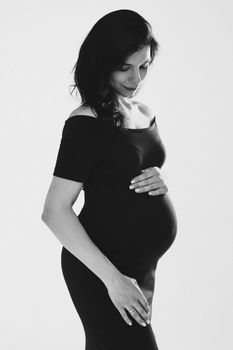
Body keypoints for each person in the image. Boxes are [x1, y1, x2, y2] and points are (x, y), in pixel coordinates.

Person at [41, 9, 178, 350]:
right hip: (103, 269)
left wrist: (157, 178)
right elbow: (55, 210)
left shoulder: (143, 112)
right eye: (124, 67)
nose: (136, 78)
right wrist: (113, 280)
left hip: (141, 266)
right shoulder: (85, 123)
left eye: (143, 65)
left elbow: (123, 168)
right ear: (102, 62)